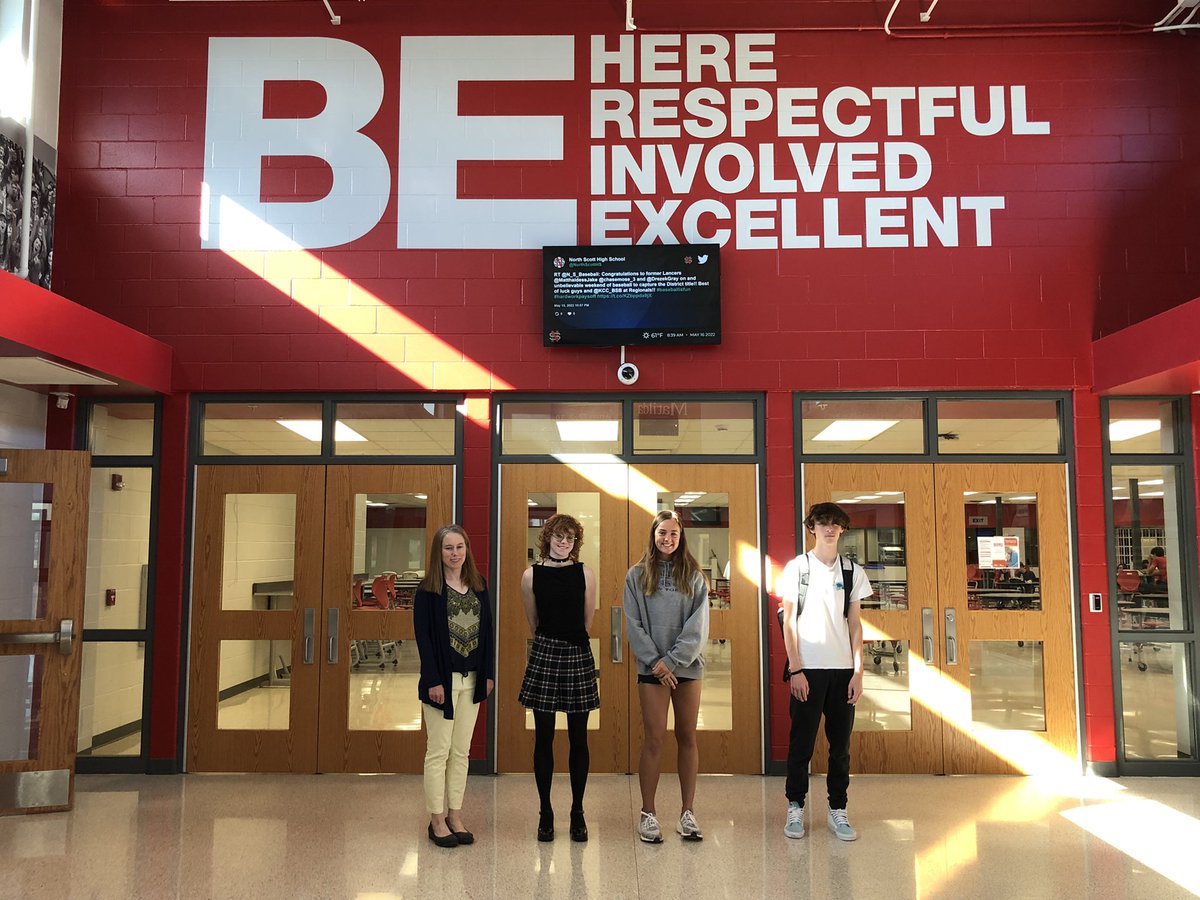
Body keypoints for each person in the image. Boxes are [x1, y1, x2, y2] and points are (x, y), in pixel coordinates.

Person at [780, 502, 873, 842]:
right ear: (812, 528)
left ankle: (838, 810)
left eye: (835, 524)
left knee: (841, 747)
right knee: (800, 744)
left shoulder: (852, 572)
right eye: (822, 523)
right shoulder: (797, 568)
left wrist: (859, 671)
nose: (829, 529)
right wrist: (796, 669)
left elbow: (855, 624)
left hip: (842, 672)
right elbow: (789, 621)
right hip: (808, 669)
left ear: (842, 529)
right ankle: (795, 808)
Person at [623, 509, 710, 844]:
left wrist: (672, 661)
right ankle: (648, 813)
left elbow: (699, 627)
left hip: (685, 668)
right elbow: (633, 624)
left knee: (687, 736)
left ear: (681, 536)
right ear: (653, 534)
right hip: (652, 669)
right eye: (662, 533)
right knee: (654, 738)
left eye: (673, 534)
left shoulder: (694, 576)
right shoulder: (636, 575)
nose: (668, 539)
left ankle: (687, 813)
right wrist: (657, 662)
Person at [517, 513, 599, 843]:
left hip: (577, 652)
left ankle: (577, 811)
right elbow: (533, 621)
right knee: (544, 737)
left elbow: (587, 620)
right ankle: (545, 813)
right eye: (558, 537)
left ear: (575, 543)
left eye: (569, 538)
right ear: (547, 538)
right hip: (545, 653)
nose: (563, 543)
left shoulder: (586, 574)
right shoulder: (530, 576)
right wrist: (551, 642)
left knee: (579, 737)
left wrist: (567, 640)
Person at [414, 524, 494, 848]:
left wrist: (487, 675)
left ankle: (455, 815)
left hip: (472, 680)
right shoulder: (428, 591)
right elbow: (425, 640)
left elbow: (487, 633)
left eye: (459, 547)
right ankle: (436, 820)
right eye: (448, 548)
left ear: (467, 550)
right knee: (439, 751)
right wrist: (433, 680)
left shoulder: (478, 585)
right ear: (439, 551)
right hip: (441, 686)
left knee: (461, 752)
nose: (454, 554)